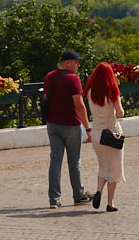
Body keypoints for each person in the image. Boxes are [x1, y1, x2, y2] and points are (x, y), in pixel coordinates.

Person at [42, 51, 92, 208]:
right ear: (67, 62)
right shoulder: (73, 79)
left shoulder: (49, 76)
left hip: (53, 125)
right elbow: (79, 104)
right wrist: (88, 127)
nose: (78, 65)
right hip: (70, 125)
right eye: (76, 62)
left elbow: (46, 97)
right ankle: (79, 195)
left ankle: (54, 200)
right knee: (74, 161)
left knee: (55, 161)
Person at [84, 62, 127, 212]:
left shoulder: (89, 91)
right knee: (114, 169)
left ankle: (99, 190)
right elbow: (120, 113)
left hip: (97, 133)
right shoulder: (112, 91)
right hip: (112, 133)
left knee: (103, 166)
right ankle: (110, 203)